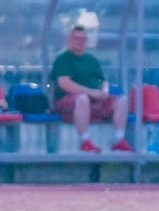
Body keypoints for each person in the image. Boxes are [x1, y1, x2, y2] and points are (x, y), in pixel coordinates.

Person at [51, 24, 131, 152]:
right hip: (68, 102)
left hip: (95, 100)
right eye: (77, 38)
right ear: (69, 39)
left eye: (83, 39)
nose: (80, 41)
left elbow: (103, 80)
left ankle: (119, 139)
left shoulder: (91, 59)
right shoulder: (62, 59)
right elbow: (64, 83)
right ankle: (84, 140)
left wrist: (104, 91)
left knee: (122, 100)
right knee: (83, 98)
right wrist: (90, 92)